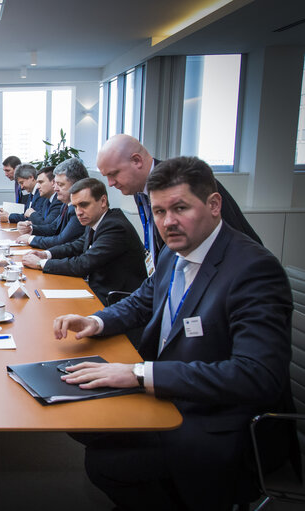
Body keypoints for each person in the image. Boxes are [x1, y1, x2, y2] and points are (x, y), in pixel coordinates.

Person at [52, 156, 295, 510]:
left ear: (214, 205)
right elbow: (142, 301)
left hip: (223, 421)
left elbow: (256, 376)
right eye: (160, 211)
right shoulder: (175, 253)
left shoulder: (254, 270)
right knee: (79, 417)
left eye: (180, 208)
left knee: (106, 464)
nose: (168, 222)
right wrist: (97, 321)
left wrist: (138, 373)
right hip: (174, 390)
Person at [96, 134, 261, 272]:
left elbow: (235, 240)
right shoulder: (139, 192)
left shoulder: (187, 180)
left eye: (114, 174)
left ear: (137, 161)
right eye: (160, 211)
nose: (110, 183)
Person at [22, 178, 146, 303]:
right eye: (75, 206)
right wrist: (46, 254)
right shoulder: (97, 220)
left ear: (103, 201)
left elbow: (83, 264)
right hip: (96, 290)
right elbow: (77, 245)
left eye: (84, 205)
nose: (78, 212)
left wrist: (41, 263)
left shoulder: (115, 226)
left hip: (114, 301)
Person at [16, 158, 87, 249]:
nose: (55, 188)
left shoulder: (78, 209)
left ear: (76, 185)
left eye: (60, 184)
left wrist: (31, 239)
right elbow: (53, 228)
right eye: (55, 183)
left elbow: (61, 240)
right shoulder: (66, 204)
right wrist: (31, 229)